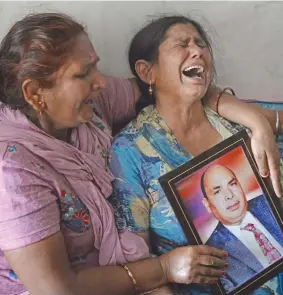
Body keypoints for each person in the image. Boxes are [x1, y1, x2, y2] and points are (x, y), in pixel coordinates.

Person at [0, 12, 281, 295]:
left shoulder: (90, 107)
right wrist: (163, 269)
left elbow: (171, 86)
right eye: (83, 74)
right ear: (35, 93)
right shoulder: (13, 175)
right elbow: (57, 290)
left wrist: (259, 123)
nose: (102, 83)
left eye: (95, 68)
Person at [109, 15, 283, 295]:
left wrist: (262, 124)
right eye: (182, 44)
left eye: (201, 44)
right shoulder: (131, 151)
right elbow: (137, 263)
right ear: (146, 72)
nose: (198, 51)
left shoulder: (234, 120)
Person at [201, 164, 283, 292]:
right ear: (207, 204)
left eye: (232, 184)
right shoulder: (212, 254)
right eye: (217, 191)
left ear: (240, 185)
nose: (229, 195)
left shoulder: (270, 200)